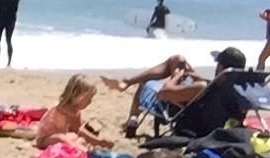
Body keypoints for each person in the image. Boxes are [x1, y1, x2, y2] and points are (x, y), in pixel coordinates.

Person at [103, 48, 245, 138]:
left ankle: (132, 119)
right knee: (178, 59)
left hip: (171, 107)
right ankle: (126, 82)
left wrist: (177, 76)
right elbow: (210, 92)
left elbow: (162, 93)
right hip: (194, 103)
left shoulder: (202, 87)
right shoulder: (237, 89)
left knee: (146, 81)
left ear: (220, 67)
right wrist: (192, 75)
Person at [34, 74, 113, 150]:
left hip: (60, 135)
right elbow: (80, 131)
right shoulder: (65, 109)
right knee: (61, 137)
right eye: (88, 98)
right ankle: (83, 150)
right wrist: (98, 141)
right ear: (77, 96)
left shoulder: (76, 111)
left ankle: (77, 146)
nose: (90, 102)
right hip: (45, 139)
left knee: (79, 138)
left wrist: (97, 141)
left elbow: (78, 130)